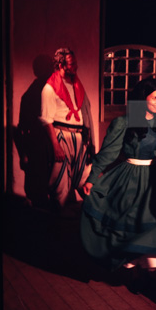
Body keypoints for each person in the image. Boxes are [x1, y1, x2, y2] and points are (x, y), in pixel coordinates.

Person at [81, 77, 156, 286]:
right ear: (143, 99)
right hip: (131, 178)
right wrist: (92, 178)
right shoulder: (124, 123)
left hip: (154, 178)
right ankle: (133, 271)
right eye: (154, 98)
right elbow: (108, 153)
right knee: (132, 223)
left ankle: (151, 269)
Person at [40, 47, 95, 215]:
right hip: (62, 135)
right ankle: (59, 213)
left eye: (75, 63)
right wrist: (56, 145)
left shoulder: (77, 85)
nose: (76, 66)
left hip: (79, 136)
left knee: (85, 173)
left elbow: (84, 112)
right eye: (72, 64)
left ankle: (94, 207)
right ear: (61, 65)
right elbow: (46, 120)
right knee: (61, 176)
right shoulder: (49, 88)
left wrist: (88, 139)